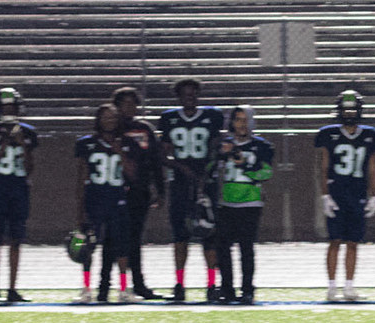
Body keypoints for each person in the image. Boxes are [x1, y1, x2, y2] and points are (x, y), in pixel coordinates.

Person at [156, 77, 224, 302]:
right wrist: (182, 168)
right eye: (185, 94)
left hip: (206, 183)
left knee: (209, 234)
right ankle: (179, 284)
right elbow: (163, 154)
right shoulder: (169, 118)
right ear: (178, 97)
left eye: (193, 93)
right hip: (180, 184)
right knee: (180, 236)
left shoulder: (211, 116)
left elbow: (216, 148)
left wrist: (205, 173)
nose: (190, 98)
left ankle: (212, 284)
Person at [315, 89, 375, 303]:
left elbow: (372, 167)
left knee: (353, 242)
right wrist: (325, 195)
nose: (349, 113)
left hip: (357, 193)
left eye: (353, 110)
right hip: (337, 192)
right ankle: (331, 286)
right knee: (334, 241)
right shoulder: (328, 133)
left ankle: (349, 286)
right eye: (346, 109)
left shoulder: (369, 134)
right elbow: (324, 166)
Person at [0, 87, 36, 305]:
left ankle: (12, 288)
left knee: (16, 240)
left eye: (12, 107)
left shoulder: (27, 132)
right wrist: (3, 145)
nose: (9, 111)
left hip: (19, 188)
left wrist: (22, 144)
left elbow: (30, 168)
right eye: (5, 107)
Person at [208, 106, 272, 304]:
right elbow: (209, 169)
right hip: (226, 203)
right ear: (232, 122)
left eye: (246, 120)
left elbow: (266, 173)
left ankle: (247, 290)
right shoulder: (223, 145)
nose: (242, 124)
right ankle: (227, 288)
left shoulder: (262, 146)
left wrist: (243, 163)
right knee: (223, 249)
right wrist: (219, 155)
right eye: (238, 119)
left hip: (250, 203)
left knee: (246, 249)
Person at [108, 86, 162, 299]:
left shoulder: (144, 129)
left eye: (133, 103)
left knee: (134, 238)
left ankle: (138, 283)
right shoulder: (111, 128)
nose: (129, 108)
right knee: (112, 239)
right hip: (114, 190)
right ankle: (105, 285)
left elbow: (155, 160)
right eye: (125, 103)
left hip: (139, 190)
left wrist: (159, 188)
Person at [74, 104, 130, 304]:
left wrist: (120, 153)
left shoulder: (126, 143)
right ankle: (86, 288)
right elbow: (81, 177)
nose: (110, 121)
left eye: (113, 117)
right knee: (87, 246)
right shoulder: (86, 143)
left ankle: (123, 289)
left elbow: (132, 174)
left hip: (117, 201)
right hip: (95, 201)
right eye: (106, 117)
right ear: (98, 120)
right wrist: (80, 209)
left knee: (121, 247)